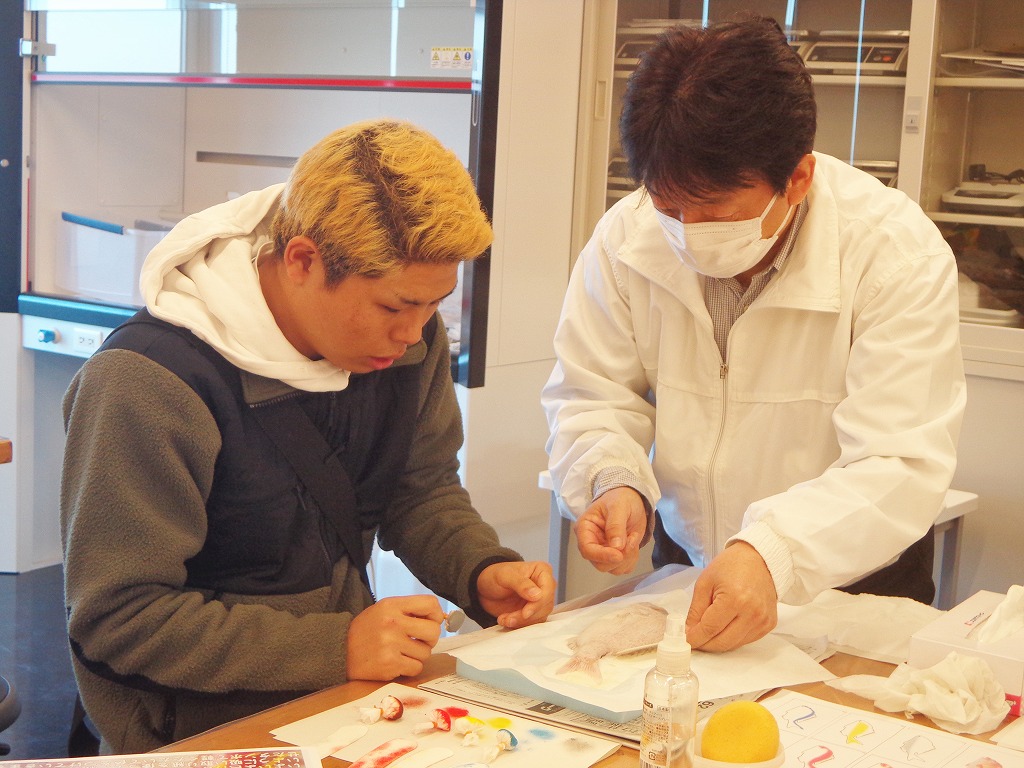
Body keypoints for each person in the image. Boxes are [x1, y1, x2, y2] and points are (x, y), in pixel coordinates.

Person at [61, 119, 556, 754]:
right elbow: (119, 618)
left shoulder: (408, 344)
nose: (413, 333)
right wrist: (335, 646)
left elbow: (418, 489)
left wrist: (479, 569)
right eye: (393, 306)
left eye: (434, 304)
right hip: (196, 734)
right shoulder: (148, 383)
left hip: (340, 704)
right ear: (301, 260)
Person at [542, 16, 966, 654]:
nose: (687, 232)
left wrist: (773, 552)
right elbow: (591, 392)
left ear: (797, 178)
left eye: (715, 212)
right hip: (691, 566)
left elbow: (899, 461)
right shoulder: (627, 237)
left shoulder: (893, 253)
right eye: (669, 206)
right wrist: (613, 476)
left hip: (850, 584)